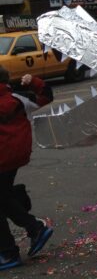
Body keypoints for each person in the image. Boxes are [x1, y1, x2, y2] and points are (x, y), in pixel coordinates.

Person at [0, 70, 54, 271]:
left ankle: (8, 251)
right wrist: (34, 82)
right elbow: (46, 96)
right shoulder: (18, 98)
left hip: (3, 157)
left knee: (2, 199)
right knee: (3, 197)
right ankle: (34, 228)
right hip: (15, 155)